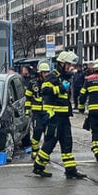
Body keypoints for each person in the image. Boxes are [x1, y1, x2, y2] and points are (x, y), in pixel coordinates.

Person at [34, 51, 86, 179]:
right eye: (69, 65)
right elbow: (45, 90)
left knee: (67, 142)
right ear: (62, 64)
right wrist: (60, 88)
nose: (71, 67)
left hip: (63, 116)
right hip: (54, 116)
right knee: (50, 142)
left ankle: (70, 169)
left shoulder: (65, 78)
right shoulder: (53, 76)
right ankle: (38, 166)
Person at [27, 62, 50, 160]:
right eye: (44, 73)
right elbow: (28, 98)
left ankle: (44, 153)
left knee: (48, 134)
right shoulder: (32, 83)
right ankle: (35, 150)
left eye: (47, 72)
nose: (46, 75)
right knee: (37, 131)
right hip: (37, 113)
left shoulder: (50, 83)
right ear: (40, 73)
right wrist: (27, 110)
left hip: (47, 112)